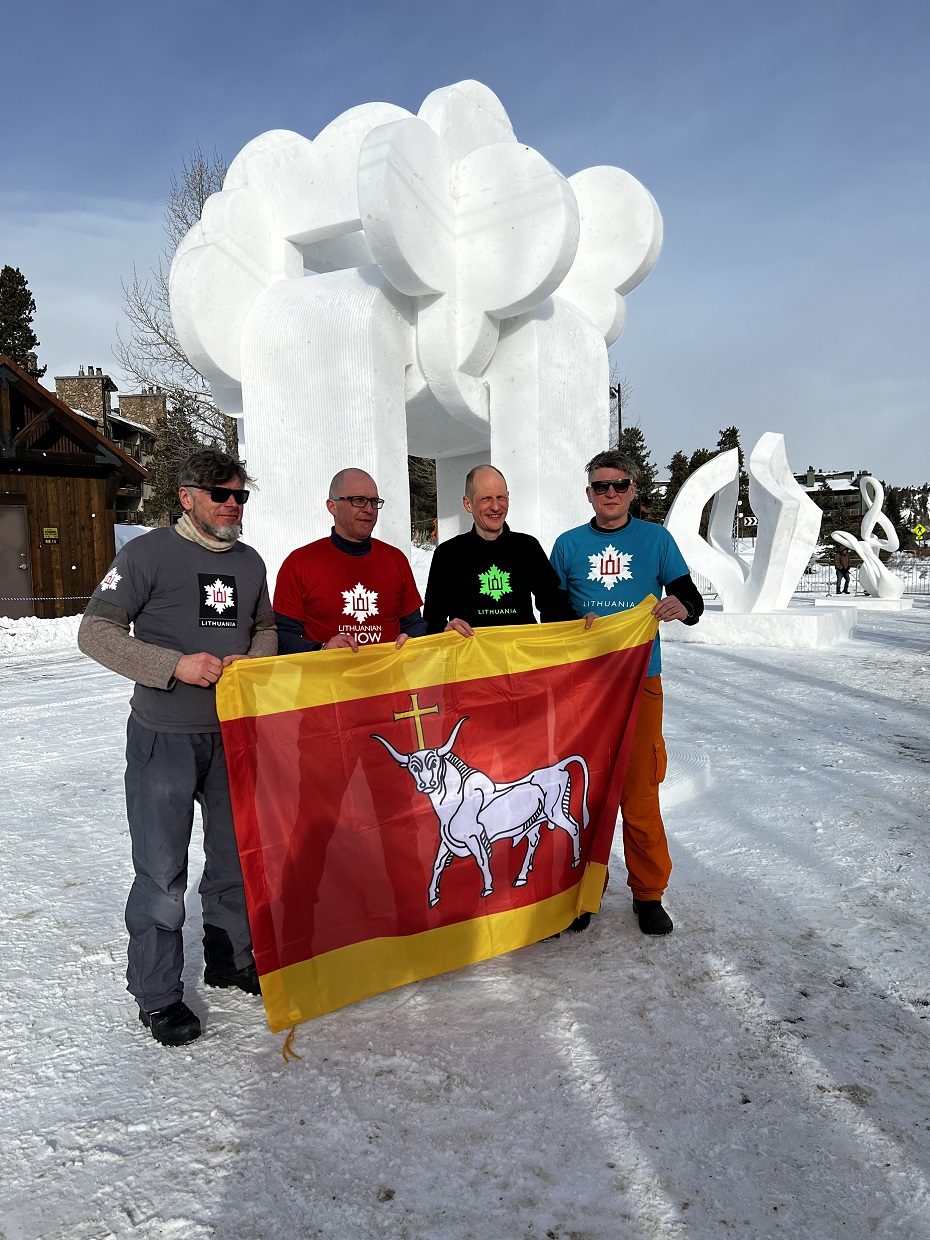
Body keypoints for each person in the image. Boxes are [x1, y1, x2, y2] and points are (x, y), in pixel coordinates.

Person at [77, 449, 277, 1046]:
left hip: (233, 735)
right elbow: (95, 632)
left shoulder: (249, 562)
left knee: (234, 855)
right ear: (187, 495)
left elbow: (265, 627)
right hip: (163, 737)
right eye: (222, 494)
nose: (233, 505)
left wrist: (256, 661)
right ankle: (158, 993)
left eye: (241, 495)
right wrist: (173, 666)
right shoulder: (145, 555)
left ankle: (228, 957)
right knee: (163, 872)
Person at [550, 450, 703, 936]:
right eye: (601, 486)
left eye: (619, 485)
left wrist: (683, 605)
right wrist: (574, 624)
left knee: (639, 793)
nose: (610, 493)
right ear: (588, 493)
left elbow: (689, 594)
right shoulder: (568, 545)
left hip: (640, 683)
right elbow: (550, 611)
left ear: (634, 490)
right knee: (582, 795)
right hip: (583, 688)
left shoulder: (655, 540)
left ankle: (648, 893)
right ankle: (578, 893)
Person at [274, 468, 426, 653]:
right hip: (326, 679)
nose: (369, 509)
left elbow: (414, 624)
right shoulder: (299, 563)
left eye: (374, 502)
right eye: (359, 500)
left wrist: (411, 639)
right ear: (332, 506)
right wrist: (321, 650)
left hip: (388, 680)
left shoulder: (396, 560)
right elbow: (282, 636)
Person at [423, 464, 575, 635]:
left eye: (501, 497)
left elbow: (554, 607)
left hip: (522, 658)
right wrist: (444, 629)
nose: (496, 507)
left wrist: (583, 626)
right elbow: (431, 619)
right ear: (468, 504)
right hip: (470, 658)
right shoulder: (448, 553)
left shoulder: (527, 547)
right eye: (486, 498)